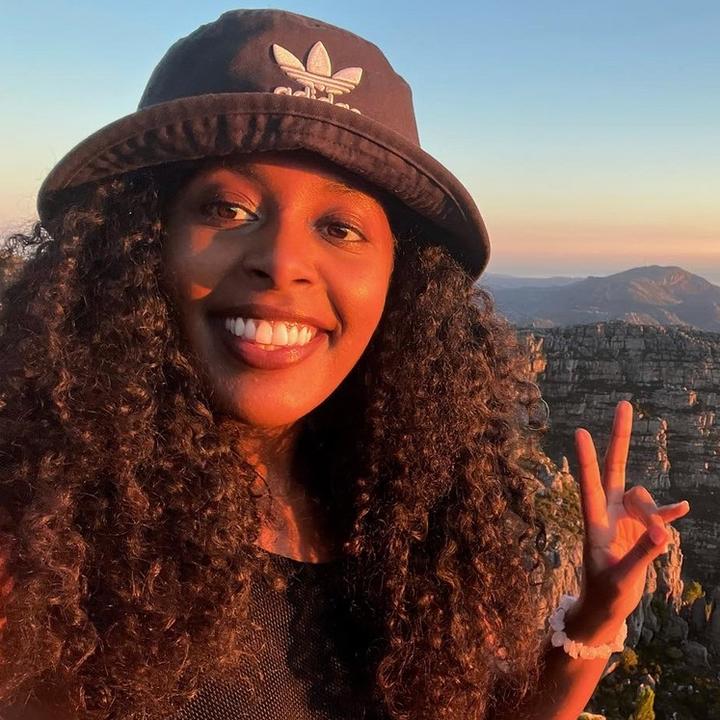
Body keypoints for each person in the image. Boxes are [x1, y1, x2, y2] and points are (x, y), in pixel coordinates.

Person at [0, 9, 690, 720]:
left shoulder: (405, 536)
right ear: (142, 239)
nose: (283, 262)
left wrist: (597, 618)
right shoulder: (37, 553)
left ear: (400, 281)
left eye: (339, 227)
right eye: (229, 209)